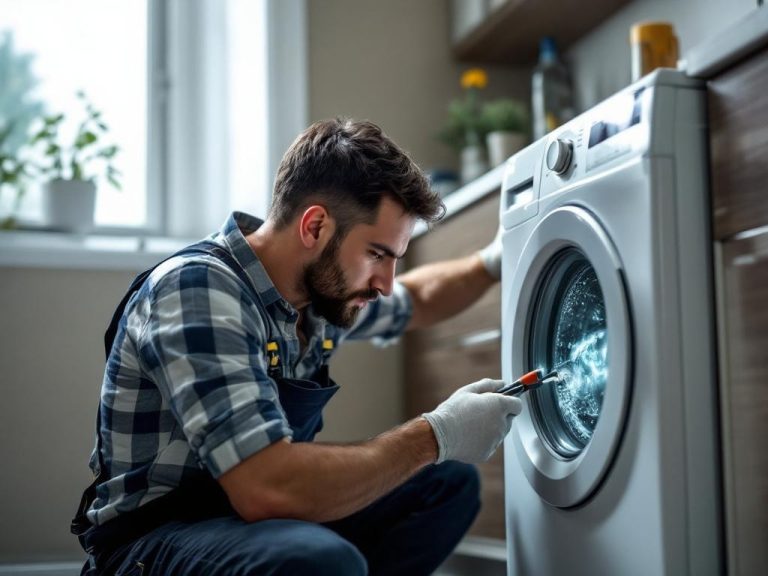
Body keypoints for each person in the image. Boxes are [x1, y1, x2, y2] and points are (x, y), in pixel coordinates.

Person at [72, 118, 520, 576]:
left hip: (248, 521)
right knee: (319, 561)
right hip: (148, 542)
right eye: (377, 254)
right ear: (316, 226)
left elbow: (419, 298)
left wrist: (493, 260)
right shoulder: (198, 289)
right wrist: (436, 435)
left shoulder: (320, 297)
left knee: (445, 486)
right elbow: (266, 488)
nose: (385, 284)